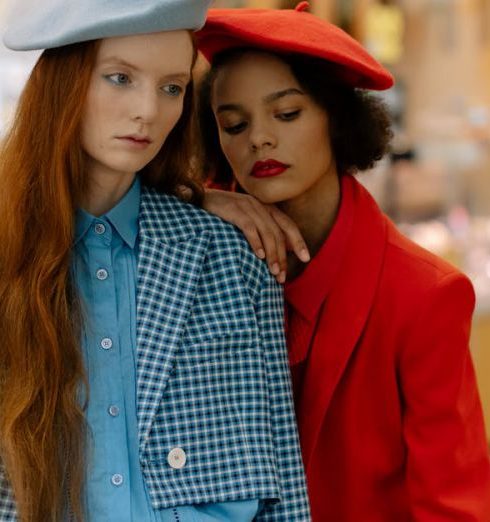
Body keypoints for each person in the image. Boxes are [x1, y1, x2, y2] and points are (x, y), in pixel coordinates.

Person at [0, 1, 311, 521]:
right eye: (120, 78)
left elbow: (282, 478)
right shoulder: (11, 252)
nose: (148, 110)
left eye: (172, 87)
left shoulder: (228, 255)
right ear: (64, 80)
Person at [196, 3, 490, 521]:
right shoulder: (205, 258)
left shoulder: (423, 294)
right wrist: (200, 199)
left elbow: (452, 503)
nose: (259, 138)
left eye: (287, 114)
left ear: (337, 118)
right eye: (234, 124)